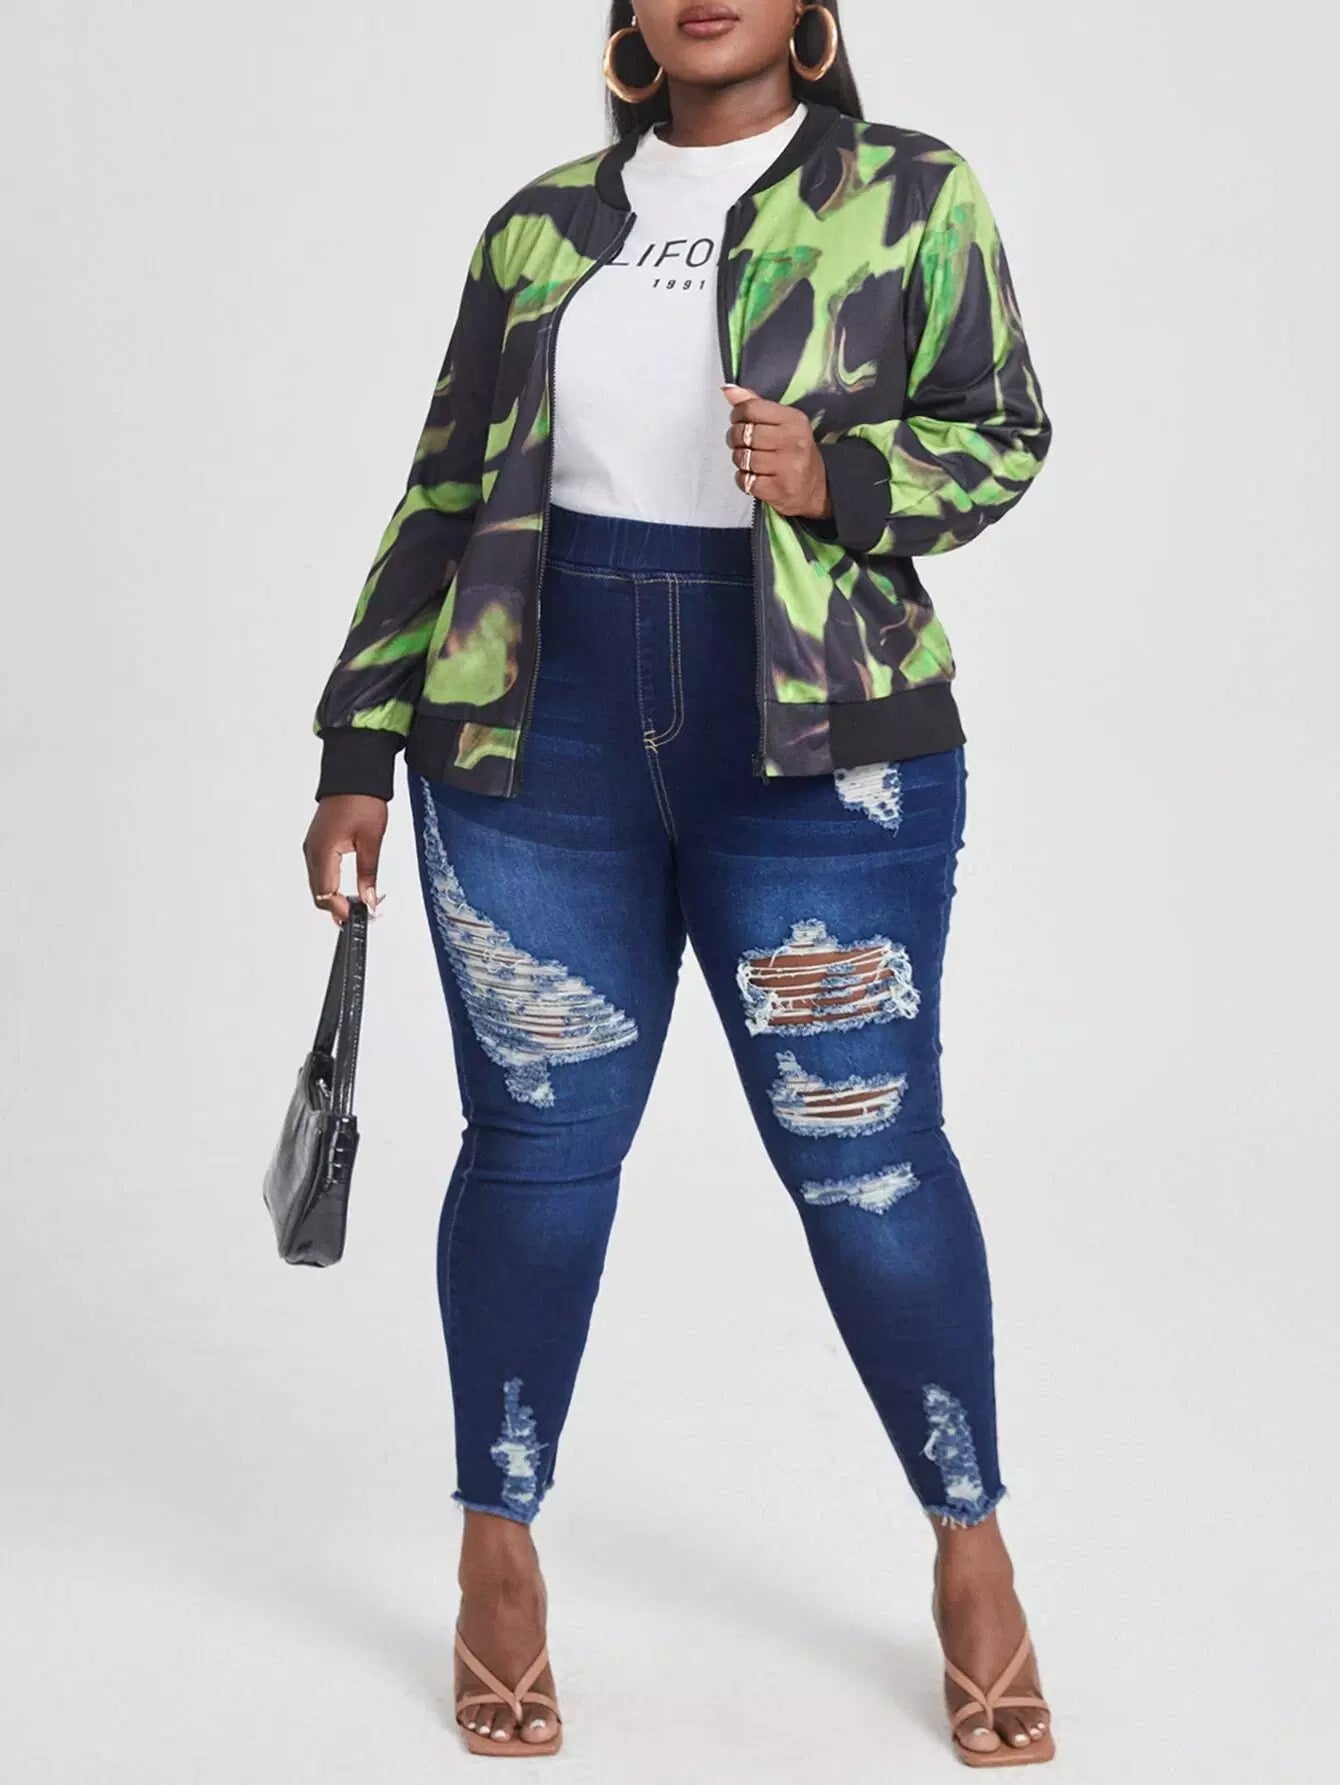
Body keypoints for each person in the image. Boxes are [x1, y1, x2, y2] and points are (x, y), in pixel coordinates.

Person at [302, 0, 1054, 1765]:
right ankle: (496, 1551)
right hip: (529, 728)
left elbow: (1006, 430)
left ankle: (972, 1545)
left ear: (813, 13)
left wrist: (842, 473)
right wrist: (356, 742)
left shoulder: (911, 194)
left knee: (868, 1158)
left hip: (821, 741)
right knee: (537, 1151)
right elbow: (441, 492)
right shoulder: (540, 227)